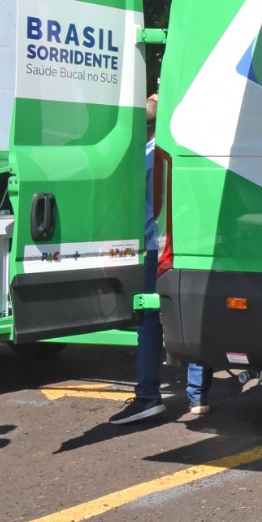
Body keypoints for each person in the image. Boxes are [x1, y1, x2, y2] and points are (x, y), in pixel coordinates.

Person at [109, 94, 166, 424]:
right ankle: (197, 395)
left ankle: (147, 395)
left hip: (150, 247)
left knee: (148, 322)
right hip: (165, 246)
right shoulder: (160, 151)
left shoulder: (147, 156)